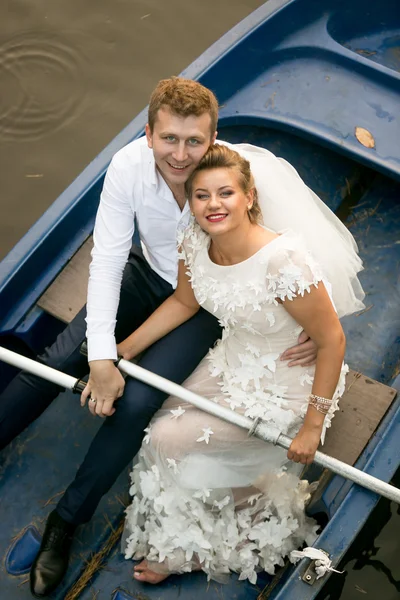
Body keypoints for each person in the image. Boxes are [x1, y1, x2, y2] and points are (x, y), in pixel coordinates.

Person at [0, 78, 318, 598]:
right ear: (148, 134)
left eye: (195, 141)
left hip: (204, 304)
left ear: (214, 137)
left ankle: (66, 520)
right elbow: (105, 262)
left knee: (139, 401)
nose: (181, 154)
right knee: (61, 358)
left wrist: (305, 316)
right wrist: (102, 357)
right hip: (144, 274)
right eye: (169, 139)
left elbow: (286, 250)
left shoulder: (231, 178)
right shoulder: (127, 167)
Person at [120, 143, 365, 585]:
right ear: (191, 201)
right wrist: (125, 349)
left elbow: (332, 341)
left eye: (225, 193)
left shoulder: (282, 263)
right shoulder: (194, 239)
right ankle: (230, 487)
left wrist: (312, 425)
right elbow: (183, 301)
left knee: (168, 438)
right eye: (201, 195)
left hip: (290, 383)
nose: (213, 205)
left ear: (249, 197)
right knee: (159, 417)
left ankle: (204, 541)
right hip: (233, 360)